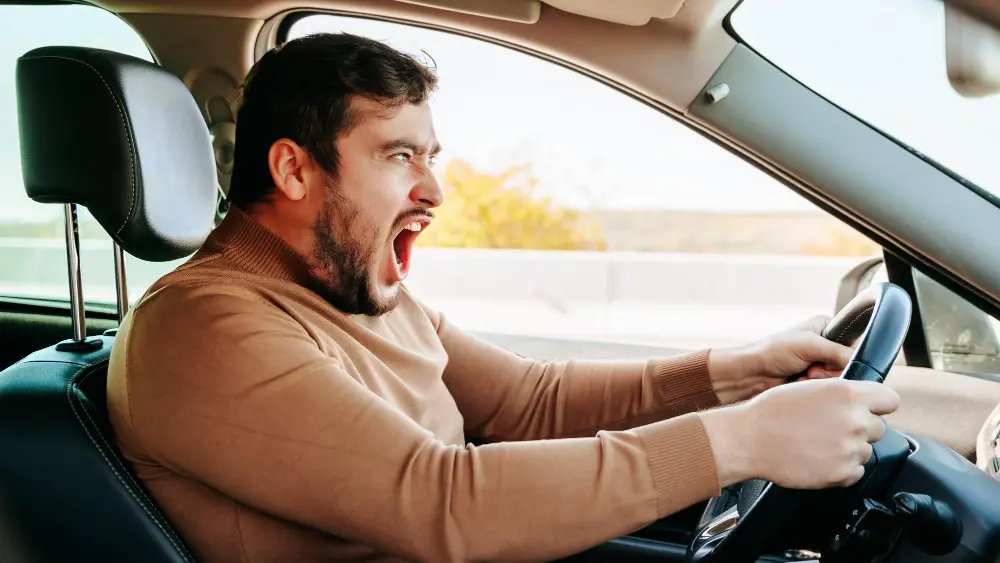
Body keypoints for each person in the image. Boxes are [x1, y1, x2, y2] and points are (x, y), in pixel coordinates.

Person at [106, 33, 900, 563]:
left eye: (431, 154)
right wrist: (739, 442)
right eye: (399, 155)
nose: (434, 188)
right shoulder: (202, 326)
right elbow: (440, 499)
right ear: (293, 170)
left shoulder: (349, 285)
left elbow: (527, 398)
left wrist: (734, 375)